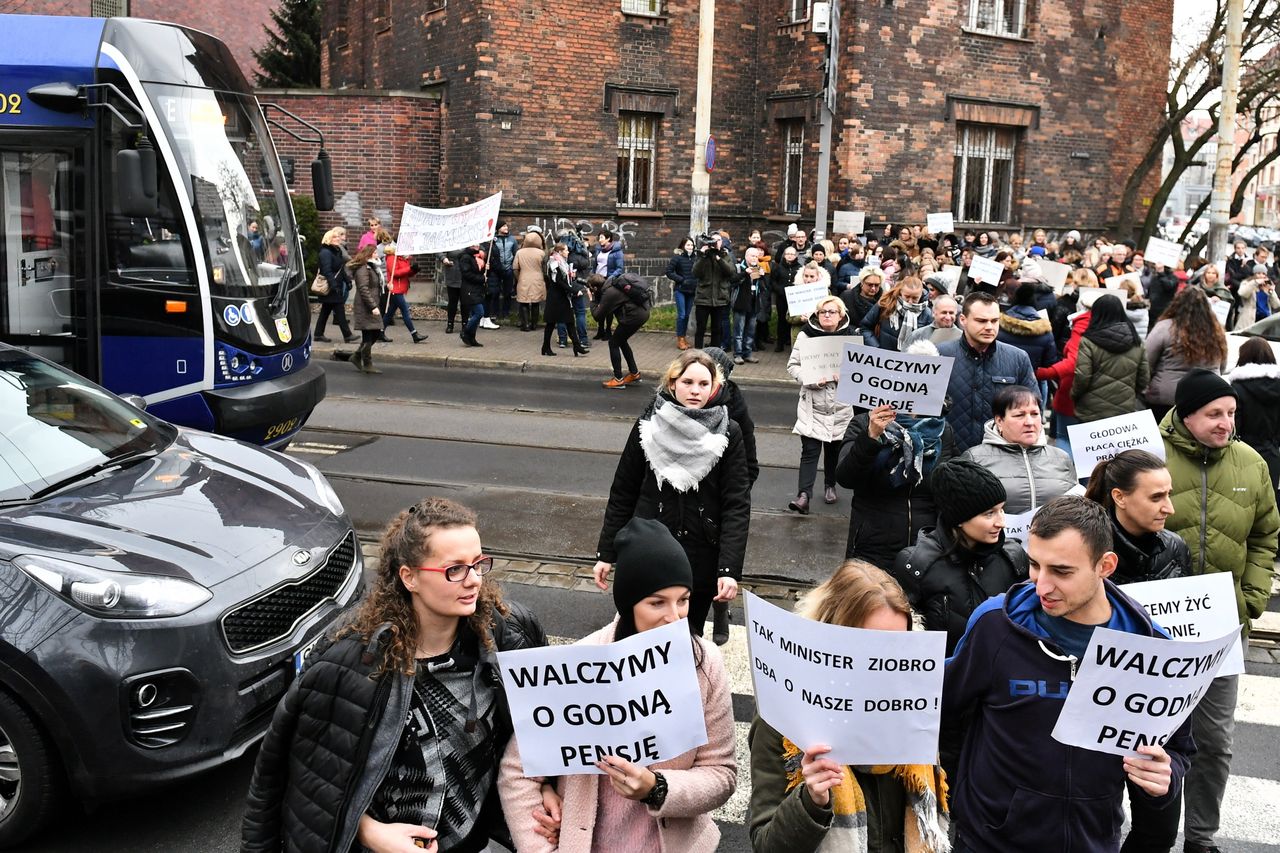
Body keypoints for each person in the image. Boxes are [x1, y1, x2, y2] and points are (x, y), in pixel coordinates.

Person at [241, 497, 547, 853]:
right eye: (455, 569)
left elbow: (540, 724)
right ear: (410, 577)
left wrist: (547, 786)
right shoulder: (350, 664)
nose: (474, 580)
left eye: (479, 564)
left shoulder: (506, 634)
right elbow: (303, 782)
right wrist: (367, 831)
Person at [942, 496, 1194, 853]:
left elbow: (1178, 749)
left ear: (1105, 565)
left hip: (1092, 842)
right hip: (990, 841)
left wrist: (1166, 775)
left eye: (1061, 571)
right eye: (1034, 565)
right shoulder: (995, 625)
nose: (1041, 585)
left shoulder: (1152, 648)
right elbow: (942, 709)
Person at [500, 518, 736, 853]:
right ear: (628, 604)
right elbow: (518, 772)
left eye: (683, 599)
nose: (675, 617)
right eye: (657, 603)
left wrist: (656, 788)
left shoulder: (705, 661)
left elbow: (722, 774)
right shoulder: (578, 663)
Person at [748, 560, 950, 853]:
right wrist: (812, 802)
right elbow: (766, 845)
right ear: (833, 642)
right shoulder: (783, 718)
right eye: (871, 650)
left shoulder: (913, 705)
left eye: (899, 650)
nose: (886, 666)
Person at [1161, 369, 1279, 853]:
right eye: (1213, 414)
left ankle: (1202, 838)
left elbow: (1265, 537)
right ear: (1186, 414)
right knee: (1153, 739)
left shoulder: (1250, 464)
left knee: (1215, 743)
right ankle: (1152, 835)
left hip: (1225, 628)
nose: (1225, 423)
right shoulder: (1147, 456)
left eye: (1231, 413)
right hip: (1157, 628)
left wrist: (1249, 600)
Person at [593, 351, 750, 637]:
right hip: (648, 549)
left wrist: (728, 570)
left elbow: (736, 505)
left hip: (700, 557)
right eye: (688, 381)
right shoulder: (649, 424)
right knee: (638, 637)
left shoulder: (729, 431)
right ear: (673, 382)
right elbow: (624, 489)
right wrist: (607, 552)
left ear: (714, 387)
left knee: (688, 640)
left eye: (704, 384)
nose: (695, 390)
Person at [893, 458, 1028, 657]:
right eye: (989, 514)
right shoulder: (916, 565)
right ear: (958, 518)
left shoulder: (1013, 556)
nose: (1002, 522)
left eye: (1002, 510)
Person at [836, 367, 959, 569]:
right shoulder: (863, 424)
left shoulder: (940, 431)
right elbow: (845, 477)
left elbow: (953, 483)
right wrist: (870, 437)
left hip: (927, 547)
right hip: (873, 545)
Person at [937, 291, 1037, 451]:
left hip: (1001, 458)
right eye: (981, 321)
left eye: (994, 321)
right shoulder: (939, 355)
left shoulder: (1018, 358)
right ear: (963, 320)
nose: (989, 327)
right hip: (949, 458)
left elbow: (1032, 411)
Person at [960, 385, 1079, 514]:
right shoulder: (975, 458)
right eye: (1019, 415)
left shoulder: (1062, 458)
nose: (1029, 422)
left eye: (1034, 414)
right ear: (999, 420)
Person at [787, 296, 857, 513]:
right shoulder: (806, 335)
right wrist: (810, 378)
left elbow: (860, 370)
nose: (827, 315)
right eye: (823, 312)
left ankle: (830, 485)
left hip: (840, 405)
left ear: (841, 315)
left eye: (832, 311)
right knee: (809, 451)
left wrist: (846, 376)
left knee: (834, 449)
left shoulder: (852, 336)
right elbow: (793, 366)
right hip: (813, 405)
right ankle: (803, 495)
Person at [1084, 450, 1188, 586]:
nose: (1170, 509)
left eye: (1169, 494)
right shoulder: (1087, 550)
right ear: (1119, 497)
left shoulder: (1175, 546)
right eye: (1156, 498)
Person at [1144, 287, 1228, 422]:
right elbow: (1222, 366)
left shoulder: (1165, 327)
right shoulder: (1217, 331)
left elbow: (1146, 361)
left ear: (1176, 304)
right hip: (1206, 396)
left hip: (1166, 398)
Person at [1071, 293, 1149, 423]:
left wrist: (1074, 395)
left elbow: (1082, 377)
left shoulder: (1088, 341)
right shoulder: (1136, 342)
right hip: (1124, 408)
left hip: (1091, 410)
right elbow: (1144, 378)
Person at [1228, 336, 1280, 519]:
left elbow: (1234, 427)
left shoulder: (1237, 388)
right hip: (1273, 455)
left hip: (1242, 456)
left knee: (1243, 506)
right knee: (1269, 507)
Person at [592, 272, 650, 389]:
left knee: (613, 343)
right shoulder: (614, 284)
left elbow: (597, 316)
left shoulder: (610, 293)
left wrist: (592, 299)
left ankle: (618, 379)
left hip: (633, 317)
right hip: (642, 312)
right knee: (621, 341)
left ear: (594, 287)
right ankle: (634, 373)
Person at [860, 275, 932, 350]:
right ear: (901, 292)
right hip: (883, 356)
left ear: (921, 295)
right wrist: (876, 348)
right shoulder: (886, 304)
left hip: (911, 359)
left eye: (915, 298)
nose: (910, 302)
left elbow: (930, 340)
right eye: (907, 297)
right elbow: (865, 327)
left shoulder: (927, 313)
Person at [541, 242, 588, 357]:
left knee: (569, 321)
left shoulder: (562, 263)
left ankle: (577, 346)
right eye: (566, 250)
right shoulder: (554, 263)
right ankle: (545, 347)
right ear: (560, 252)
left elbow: (564, 280)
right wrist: (574, 291)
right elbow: (559, 282)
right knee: (551, 323)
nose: (568, 252)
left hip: (561, 297)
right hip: (556, 298)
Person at [314, 226, 356, 344]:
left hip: (335, 285)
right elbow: (327, 270)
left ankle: (318, 334)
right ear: (329, 239)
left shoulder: (336, 251)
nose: (338, 239)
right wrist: (333, 285)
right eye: (335, 237)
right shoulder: (325, 252)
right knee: (339, 309)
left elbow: (340, 269)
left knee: (325, 311)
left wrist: (347, 281)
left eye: (338, 237)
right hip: (330, 286)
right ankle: (347, 335)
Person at [347, 244, 385, 374]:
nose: (377, 255)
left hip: (372, 303)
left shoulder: (372, 267)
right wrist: (372, 306)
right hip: (366, 305)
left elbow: (375, 285)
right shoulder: (363, 268)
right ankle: (367, 363)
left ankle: (357, 356)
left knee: (374, 332)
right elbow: (363, 289)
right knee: (369, 333)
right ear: (368, 254)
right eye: (375, 253)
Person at [692, 234, 735, 349]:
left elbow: (731, 272)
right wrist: (702, 256)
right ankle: (697, 354)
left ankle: (715, 355)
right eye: (714, 240)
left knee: (717, 329)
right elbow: (695, 273)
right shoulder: (702, 256)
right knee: (700, 329)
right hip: (703, 299)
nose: (716, 242)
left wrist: (718, 258)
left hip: (720, 299)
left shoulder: (726, 255)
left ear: (722, 242)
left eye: (718, 240)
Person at [383, 252, 427, 344]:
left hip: (399, 288)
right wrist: (409, 268)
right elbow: (395, 273)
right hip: (395, 288)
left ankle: (380, 332)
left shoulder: (403, 258)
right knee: (405, 310)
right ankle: (414, 334)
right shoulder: (392, 257)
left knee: (390, 313)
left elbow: (406, 274)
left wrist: (414, 270)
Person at [732, 247, 765, 363]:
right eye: (752, 256)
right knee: (739, 331)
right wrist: (745, 274)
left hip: (753, 303)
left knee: (750, 331)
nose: (754, 258)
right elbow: (732, 281)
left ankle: (748, 353)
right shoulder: (739, 267)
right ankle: (738, 354)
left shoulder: (757, 268)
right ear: (746, 256)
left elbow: (763, 288)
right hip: (741, 303)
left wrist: (762, 276)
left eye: (756, 256)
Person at [667, 236, 699, 350]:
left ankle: (684, 337)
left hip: (691, 290)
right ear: (683, 246)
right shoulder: (677, 258)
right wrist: (681, 280)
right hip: (680, 289)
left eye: (691, 245)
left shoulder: (696, 258)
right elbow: (669, 272)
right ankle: (680, 339)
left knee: (686, 315)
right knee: (681, 314)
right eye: (688, 245)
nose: (690, 247)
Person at [593, 231, 625, 341]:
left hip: (608, 281)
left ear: (608, 239)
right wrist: (593, 276)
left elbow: (619, 269)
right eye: (599, 237)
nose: (599, 239)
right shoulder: (598, 250)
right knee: (599, 305)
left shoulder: (617, 252)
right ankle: (600, 330)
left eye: (601, 237)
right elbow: (595, 265)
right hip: (598, 280)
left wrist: (610, 278)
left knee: (608, 306)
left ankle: (608, 331)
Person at [770, 245, 803, 351]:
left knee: (793, 320)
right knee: (781, 320)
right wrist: (780, 290)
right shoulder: (778, 267)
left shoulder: (799, 268)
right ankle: (780, 343)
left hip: (794, 298)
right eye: (788, 254)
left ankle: (790, 340)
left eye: (792, 254)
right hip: (781, 297)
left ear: (796, 255)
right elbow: (773, 281)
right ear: (784, 255)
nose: (790, 256)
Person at [513, 230, 547, 332]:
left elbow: (515, 268)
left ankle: (526, 324)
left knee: (524, 302)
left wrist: (519, 278)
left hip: (523, 278)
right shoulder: (542, 253)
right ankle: (534, 325)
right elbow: (545, 269)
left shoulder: (519, 252)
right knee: (536, 303)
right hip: (538, 278)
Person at [486, 220, 518, 327]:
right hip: (496, 270)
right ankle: (494, 313)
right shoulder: (493, 240)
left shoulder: (512, 239)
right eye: (504, 226)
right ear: (498, 228)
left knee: (507, 292)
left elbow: (515, 253)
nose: (506, 227)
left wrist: (513, 266)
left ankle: (506, 312)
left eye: (506, 226)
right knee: (495, 292)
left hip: (508, 269)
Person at [458, 245, 488, 347]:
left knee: (475, 314)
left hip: (476, 289)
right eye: (474, 244)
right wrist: (482, 279)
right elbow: (467, 274)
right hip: (469, 290)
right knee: (479, 313)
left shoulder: (475, 257)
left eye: (478, 244)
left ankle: (472, 338)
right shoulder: (465, 257)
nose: (477, 245)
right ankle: (465, 332)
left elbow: (477, 272)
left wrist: (485, 269)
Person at [1234, 263, 1280, 330]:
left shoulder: (1268, 284)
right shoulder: (1247, 283)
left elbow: (1276, 305)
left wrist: (1271, 291)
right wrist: (1255, 282)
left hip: (1265, 319)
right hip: (1249, 318)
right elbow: (1242, 293)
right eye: (1258, 273)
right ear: (1254, 274)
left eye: (1263, 274)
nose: (1261, 276)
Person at [840, 265, 884, 334]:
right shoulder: (847, 296)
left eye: (877, 285)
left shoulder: (885, 300)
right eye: (870, 285)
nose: (873, 288)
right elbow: (841, 320)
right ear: (862, 282)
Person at [441, 248, 465, 334]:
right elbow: (439, 249)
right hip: (453, 275)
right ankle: (450, 324)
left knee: (465, 302)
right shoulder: (449, 238)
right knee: (452, 302)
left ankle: (465, 324)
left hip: (466, 276)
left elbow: (479, 249)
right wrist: (443, 258)